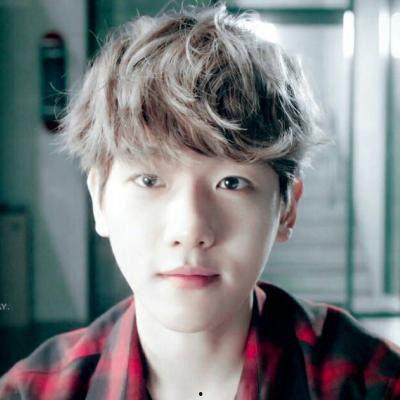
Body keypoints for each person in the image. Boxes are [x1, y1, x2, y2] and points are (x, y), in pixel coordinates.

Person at [1, 3, 399, 399]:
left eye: (232, 182)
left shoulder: (373, 383)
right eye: (149, 180)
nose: (190, 229)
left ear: (287, 208)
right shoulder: (33, 391)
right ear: (99, 199)